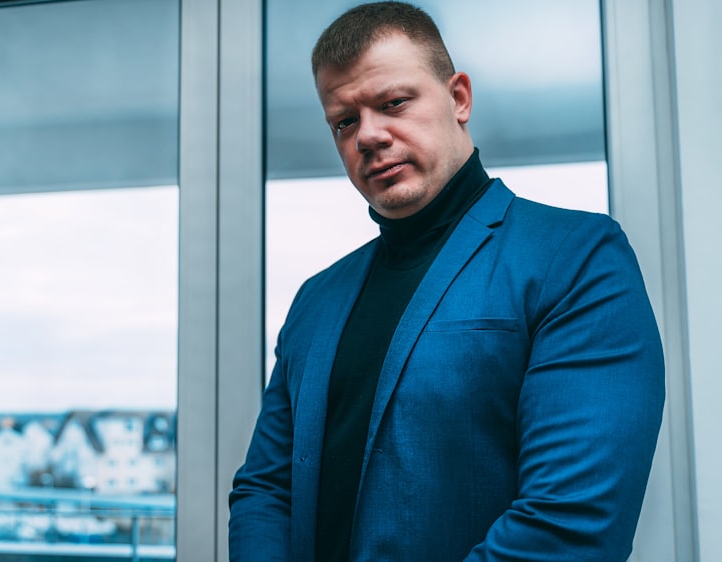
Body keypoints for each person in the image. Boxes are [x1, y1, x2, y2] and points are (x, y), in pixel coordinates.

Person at [229, 2, 665, 561]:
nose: (368, 136)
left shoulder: (575, 256)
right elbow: (266, 490)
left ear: (458, 98)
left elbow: (572, 523)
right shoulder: (317, 299)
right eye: (345, 120)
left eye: (394, 103)